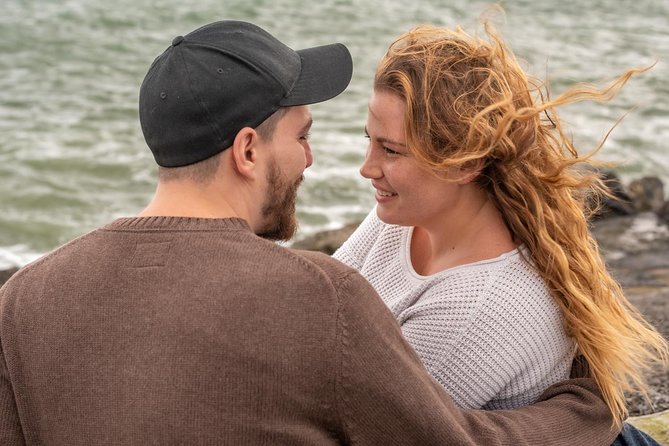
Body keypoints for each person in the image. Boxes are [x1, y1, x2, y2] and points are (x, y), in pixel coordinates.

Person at [0, 20, 619, 446]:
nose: (318, 161)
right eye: (302, 135)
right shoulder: (322, 301)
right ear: (248, 150)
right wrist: (588, 407)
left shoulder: (22, 300)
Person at [333, 21, 668, 432]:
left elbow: (352, 427)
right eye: (370, 140)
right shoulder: (405, 217)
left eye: (391, 150)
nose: (367, 168)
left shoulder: (479, 309)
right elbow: (313, 315)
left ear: (467, 163)